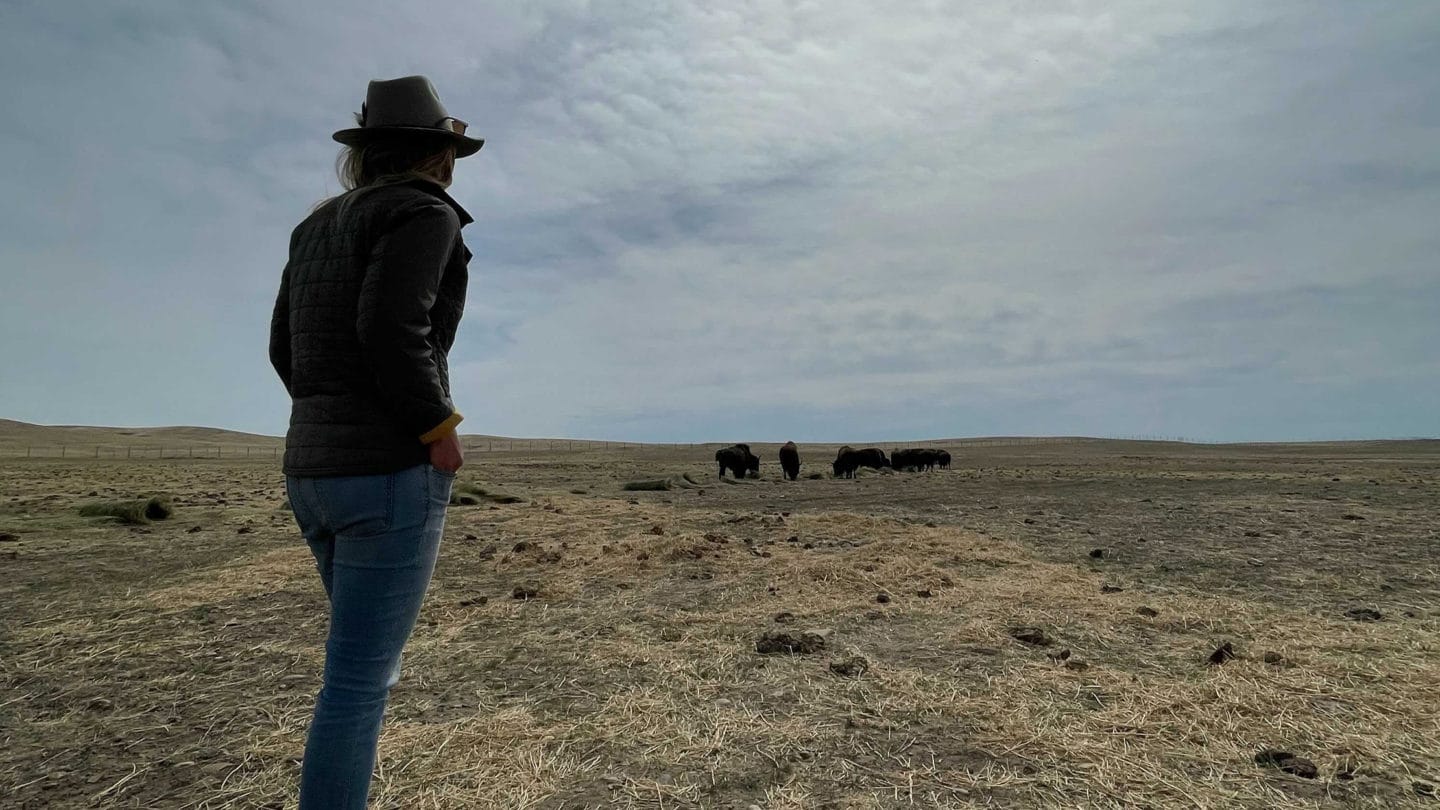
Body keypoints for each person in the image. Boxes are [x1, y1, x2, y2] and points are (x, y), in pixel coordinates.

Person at [267, 75, 484, 810]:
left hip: (311, 470)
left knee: (354, 673)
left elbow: (283, 349)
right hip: (388, 470)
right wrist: (439, 429)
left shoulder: (317, 227)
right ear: (438, 153)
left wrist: (328, 418)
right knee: (357, 684)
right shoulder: (424, 214)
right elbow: (394, 331)